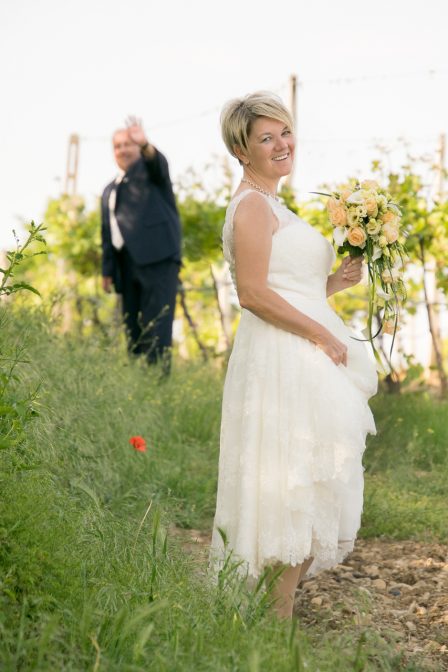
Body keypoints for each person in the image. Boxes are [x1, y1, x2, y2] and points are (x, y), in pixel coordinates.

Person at [210, 92, 378, 619]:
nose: (282, 144)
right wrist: (322, 336)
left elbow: (287, 287)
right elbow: (254, 294)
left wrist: (332, 284)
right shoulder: (253, 207)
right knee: (295, 483)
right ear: (242, 150)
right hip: (285, 358)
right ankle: (274, 623)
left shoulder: (274, 203)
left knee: (315, 479)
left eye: (284, 131)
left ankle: (274, 616)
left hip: (300, 349)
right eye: (267, 137)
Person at [101, 118, 181, 371]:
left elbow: (159, 162)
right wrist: (107, 270)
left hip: (158, 259)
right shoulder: (109, 189)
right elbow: (107, 232)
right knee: (132, 327)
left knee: (157, 325)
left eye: (128, 144)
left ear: (137, 147)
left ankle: (158, 383)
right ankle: (138, 383)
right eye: (117, 146)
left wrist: (145, 144)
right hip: (126, 265)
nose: (123, 150)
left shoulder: (151, 173)